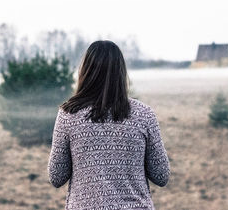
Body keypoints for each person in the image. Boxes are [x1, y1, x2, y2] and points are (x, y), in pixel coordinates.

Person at [48, 40, 170, 210]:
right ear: (121, 73)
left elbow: (57, 176)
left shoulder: (69, 114)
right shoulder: (144, 114)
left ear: (85, 72)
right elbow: (161, 175)